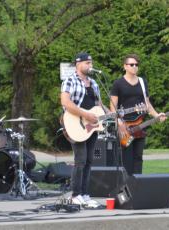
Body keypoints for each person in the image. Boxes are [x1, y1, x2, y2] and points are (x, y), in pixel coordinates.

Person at [61, 52, 105, 207]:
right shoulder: (70, 81)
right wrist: (85, 114)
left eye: (91, 63)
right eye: (87, 63)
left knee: (89, 161)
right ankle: (75, 195)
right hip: (75, 124)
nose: (90, 65)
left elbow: (98, 104)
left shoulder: (94, 83)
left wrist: (110, 114)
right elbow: (65, 102)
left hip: (91, 127)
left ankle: (85, 194)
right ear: (78, 64)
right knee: (80, 160)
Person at [110, 54, 165, 176]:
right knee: (127, 159)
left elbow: (147, 103)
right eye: (131, 64)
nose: (135, 67)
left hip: (140, 125)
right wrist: (119, 123)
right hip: (125, 127)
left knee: (138, 158)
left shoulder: (142, 81)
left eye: (136, 65)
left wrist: (156, 115)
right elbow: (113, 107)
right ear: (125, 66)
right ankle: (126, 187)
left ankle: (138, 184)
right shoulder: (118, 84)